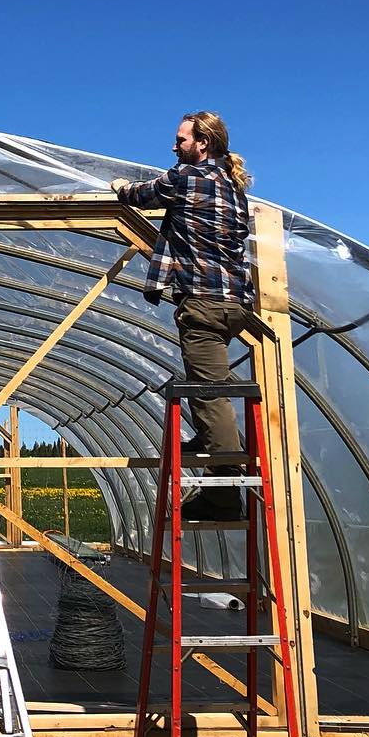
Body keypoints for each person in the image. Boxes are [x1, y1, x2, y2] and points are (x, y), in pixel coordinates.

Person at [111, 111, 256, 521]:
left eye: (181, 140)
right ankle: (216, 440)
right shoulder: (232, 187)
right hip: (235, 304)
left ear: (202, 144)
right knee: (208, 379)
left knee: (208, 391)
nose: (174, 147)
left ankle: (224, 491)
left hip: (204, 303)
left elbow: (141, 194)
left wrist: (119, 185)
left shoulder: (188, 178)